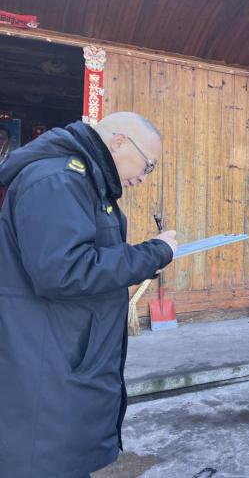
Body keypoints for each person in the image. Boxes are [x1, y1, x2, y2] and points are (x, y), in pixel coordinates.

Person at [0, 112, 178, 477]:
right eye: (148, 165)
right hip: (49, 363)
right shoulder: (57, 181)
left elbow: (87, 261)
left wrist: (142, 262)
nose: (144, 179)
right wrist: (151, 253)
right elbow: (62, 271)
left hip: (67, 353)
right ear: (118, 142)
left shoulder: (83, 181)